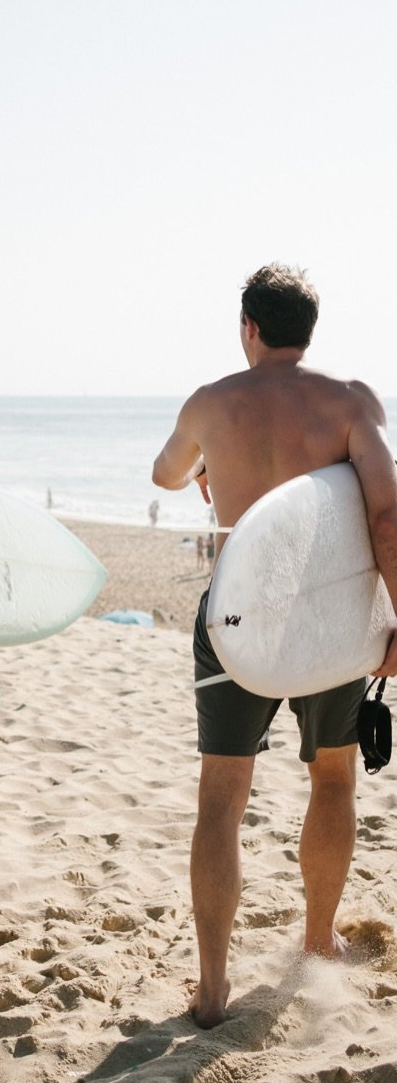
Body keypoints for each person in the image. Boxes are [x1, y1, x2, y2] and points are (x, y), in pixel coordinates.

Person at [152, 263, 397, 1028]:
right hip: (326, 618)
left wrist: (206, 464)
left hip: (236, 617)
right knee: (334, 780)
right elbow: (387, 518)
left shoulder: (210, 401)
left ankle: (214, 985)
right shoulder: (351, 401)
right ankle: (318, 939)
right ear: (308, 329)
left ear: (248, 328)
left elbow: (164, 475)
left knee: (221, 801)